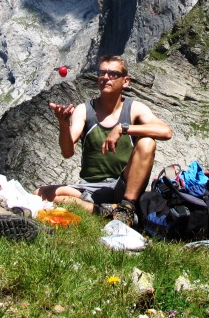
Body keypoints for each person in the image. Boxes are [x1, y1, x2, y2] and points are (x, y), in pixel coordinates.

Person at [37, 55, 172, 227]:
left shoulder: (134, 109)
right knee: (40, 194)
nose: (106, 77)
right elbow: (67, 152)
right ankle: (104, 212)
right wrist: (64, 125)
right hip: (90, 187)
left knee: (147, 142)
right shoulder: (84, 110)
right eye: (102, 73)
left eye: (113, 74)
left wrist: (123, 128)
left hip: (123, 185)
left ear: (125, 81)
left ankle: (127, 208)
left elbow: (166, 131)